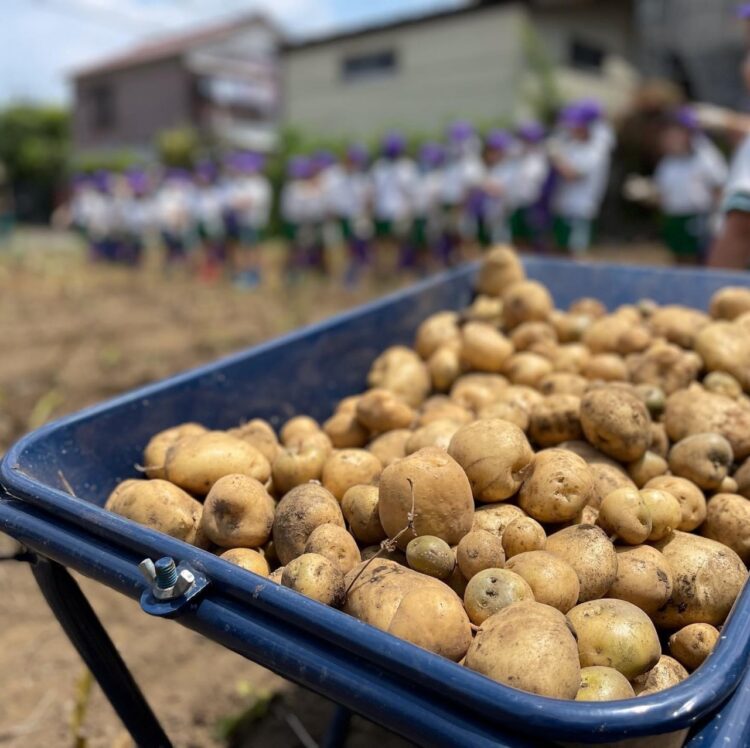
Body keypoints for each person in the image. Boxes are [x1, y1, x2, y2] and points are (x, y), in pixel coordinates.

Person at [653, 108, 728, 264]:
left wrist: (716, 221)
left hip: (698, 219)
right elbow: (662, 194)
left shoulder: (707, 158)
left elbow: (719, 190)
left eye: (675, 132)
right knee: (678, 260)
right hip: (674, 219)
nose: (669, 138)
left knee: (696, 261)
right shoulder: (667, 162)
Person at [549, 102, 613, 256]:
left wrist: (555, 156)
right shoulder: (574, 145)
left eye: (578, 124)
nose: (573, 128)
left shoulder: (596, 149)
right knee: (560, 251)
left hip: (579, 210)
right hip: (564, 207)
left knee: (576, 253)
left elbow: (572, 174)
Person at [371, 132, 419, 270]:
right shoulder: (379, 167)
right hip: (383, 213)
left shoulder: (407, 167)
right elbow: (375, 191)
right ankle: (387, 270)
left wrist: (410, 210)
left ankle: (402, 270)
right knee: (384, 245)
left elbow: (412, 192)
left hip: (400, 212)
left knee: (402, 244)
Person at [439, 121, 485, 262]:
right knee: (455, 246)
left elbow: (472, 189)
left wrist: (460, 210)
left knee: (468, 243)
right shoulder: (452, 164)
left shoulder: (471, 164)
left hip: (466, 210)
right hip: (452, 209)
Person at [331, 144, 373, 286]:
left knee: (360, 247)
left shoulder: (363, 179)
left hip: (358, 218)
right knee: (345, 248)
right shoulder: (336, 176)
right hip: (342, 217)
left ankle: (359, 275)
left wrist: (366, 216)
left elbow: (368, 199)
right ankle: (347, 276)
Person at [509, 122, 550, 249]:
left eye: (527, 140)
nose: (524, 143)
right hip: (517, 203)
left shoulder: (540, 159)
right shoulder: (517, 156)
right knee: (517, 239)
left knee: (533, 240)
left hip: (533, 204)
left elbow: (538, 183)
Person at [412, 142, 445, 271]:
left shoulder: (438, 177)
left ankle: (436, 270)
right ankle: (425, 269)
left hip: (434, 217)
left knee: (435, 246)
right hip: (420, 216)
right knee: (421, 246)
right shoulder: (418, 177)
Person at [480, 129, 516, 246]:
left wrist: (484, 186)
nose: (490, 154)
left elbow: (500, 191)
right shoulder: (492, 168)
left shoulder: (510, 167)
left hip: (506, 216)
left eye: (494, 150)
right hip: (491, 215)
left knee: (503, 247)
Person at [155, 168, 195, 267]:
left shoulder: (189, 193)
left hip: (184, 228)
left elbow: (189, 211)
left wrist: (181, 219)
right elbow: (161, 213)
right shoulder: (163, 194)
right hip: (168, 228)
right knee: (167, 249)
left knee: (187, 249)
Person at [120, 168, 153, 266]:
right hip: (130, 236)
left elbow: (151, 221)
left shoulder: (148, 202)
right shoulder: (127, 202)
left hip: (144, 236)